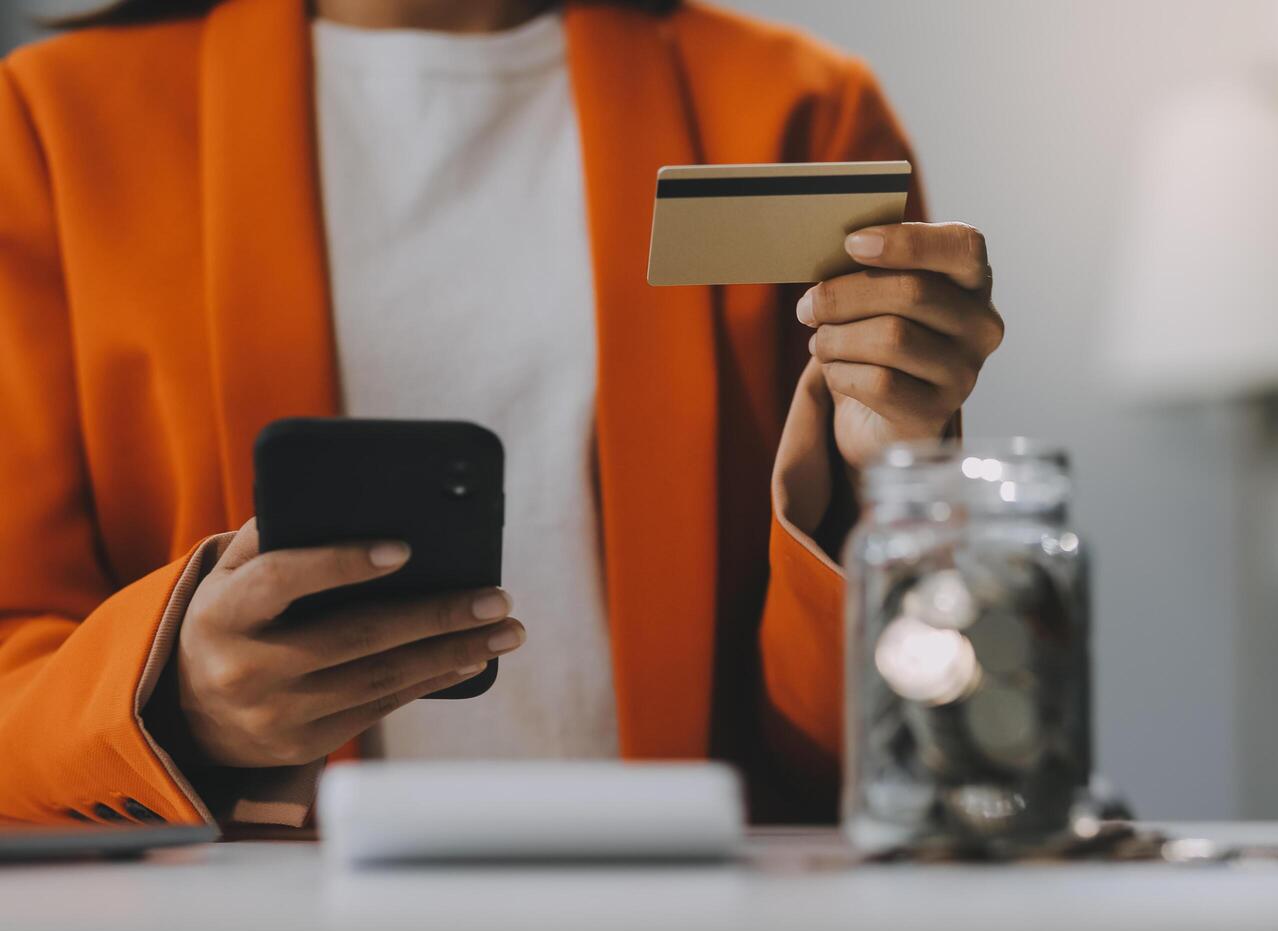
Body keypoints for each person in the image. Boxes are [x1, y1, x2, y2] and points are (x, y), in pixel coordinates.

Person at [0, 0, 1003, 828]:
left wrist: (885, 479)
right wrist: (171, 702)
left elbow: (902, 725)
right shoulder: (50, 130)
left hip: (693, 918)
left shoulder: (801, 114)